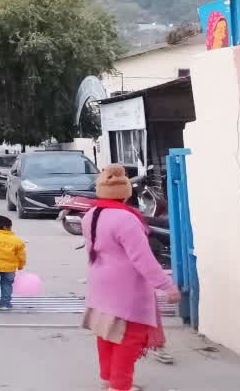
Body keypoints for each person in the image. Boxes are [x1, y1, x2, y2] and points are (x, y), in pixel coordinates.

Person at [82, 164, 180, 391]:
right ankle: (119, 386)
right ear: (125, 193)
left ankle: (107, 380)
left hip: (100, 284)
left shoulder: (91, 215)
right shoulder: (126, 220)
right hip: (126, 289)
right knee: (128, 339)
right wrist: (167, 286)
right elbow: (143, 260)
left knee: (106, 334)